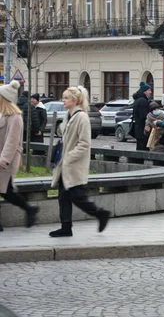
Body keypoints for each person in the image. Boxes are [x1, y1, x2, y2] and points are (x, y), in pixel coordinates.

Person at [48, 86, 110, 237]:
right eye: (63, 97)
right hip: (66, 164)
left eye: (66, 98)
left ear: (75, 100)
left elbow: (84, 143)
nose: (63, 100)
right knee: (63, 197)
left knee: (77, 196)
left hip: (73, 165)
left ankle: (100, 214)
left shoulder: (81, 117)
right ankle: (66, 227)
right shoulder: (69, 115)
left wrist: (68, 157)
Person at [0, 81, 39, 232]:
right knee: (7, 191)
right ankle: (29, 209)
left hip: (6, 161)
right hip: (2, 159)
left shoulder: (15, 117)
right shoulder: (4, 115)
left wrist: (3, 160)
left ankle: (29, 209)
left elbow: (12, 141)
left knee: (7, 190)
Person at [132, 82, 152, 150]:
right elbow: (144, 116)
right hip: (142, 129)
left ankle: (137, 160)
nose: (150, 92)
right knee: (143, 149)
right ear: (145, 91)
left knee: (139, 148)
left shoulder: (138, 100)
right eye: (149, 90)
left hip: (138, 129)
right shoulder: (143, 101)